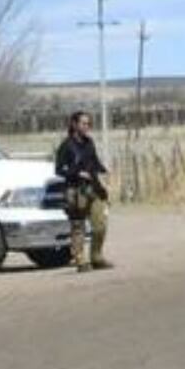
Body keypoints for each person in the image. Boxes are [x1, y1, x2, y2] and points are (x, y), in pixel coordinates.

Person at [54, 110, 110, 271]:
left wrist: (104, 172)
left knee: (100, 225)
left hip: (93, 188)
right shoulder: (66, 145)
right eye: (83, 123)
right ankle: (80, 260)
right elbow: (58, 170)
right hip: (75, 190)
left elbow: (95, 162)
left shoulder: (89, 142)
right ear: (74, 124)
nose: (87, 126)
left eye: (88, 124)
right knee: (78, 226)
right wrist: (77, 172)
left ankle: (97, 257)